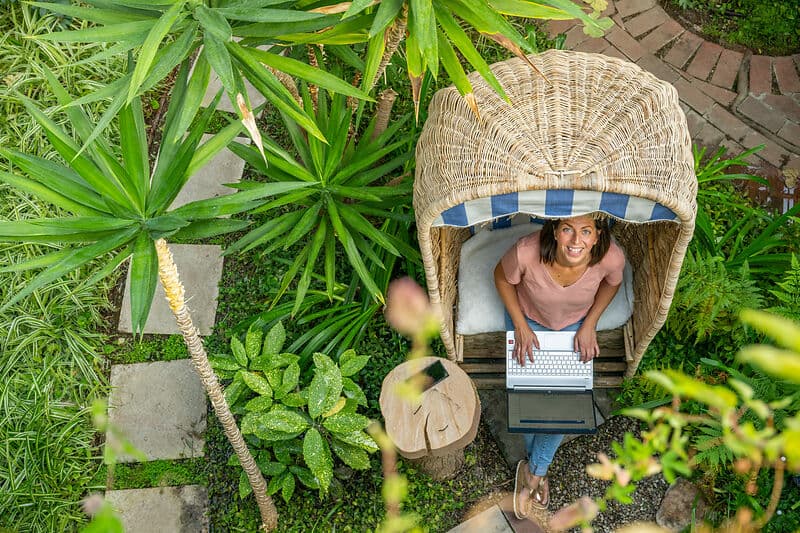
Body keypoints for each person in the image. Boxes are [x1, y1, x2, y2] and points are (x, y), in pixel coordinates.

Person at [493, 213, 624, 518]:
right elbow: (501, 277)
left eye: (586, 232)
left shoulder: (610, 257)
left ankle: (533, 473)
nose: (576, 241)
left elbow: (612, 284)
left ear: (597, 235)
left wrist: (590, 323)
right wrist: (519, 326)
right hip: (528, 320)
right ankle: (536, 473)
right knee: (530, 397)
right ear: (554, 230)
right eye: (568, 229)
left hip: (574, 324)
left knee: (564, 402)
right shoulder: (526, 251)